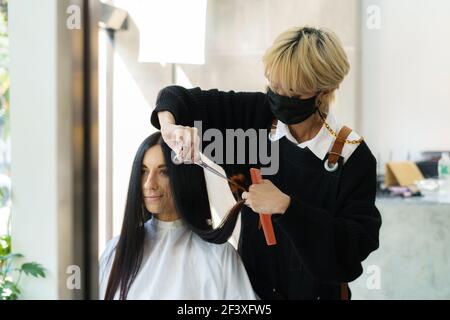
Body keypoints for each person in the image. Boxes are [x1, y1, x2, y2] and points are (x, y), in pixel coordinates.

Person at [151, 26, 382, 300]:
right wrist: (170, 128)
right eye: (273, 85)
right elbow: (178, 98)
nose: (279, 97)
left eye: (292, 93)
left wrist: (287, 207)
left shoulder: (352, 157)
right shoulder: (255, 121)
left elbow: (351, 250)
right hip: (249, 295)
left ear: (324, 91)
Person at [99, 132, 257, 300]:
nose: (149, 184)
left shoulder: (219, 255)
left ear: (184, 178)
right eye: (144, 171)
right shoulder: (115, 250)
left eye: (164, 172)